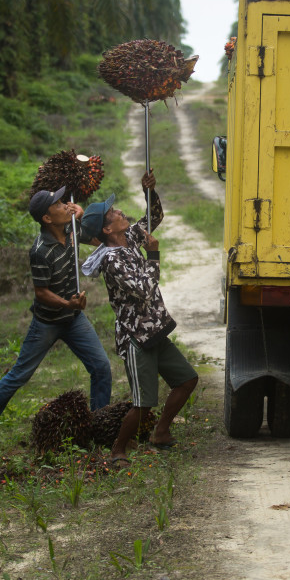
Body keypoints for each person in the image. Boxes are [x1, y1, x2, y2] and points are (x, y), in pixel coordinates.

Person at [0, 186, 113, 448]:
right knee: (18, 376)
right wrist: (68, 303)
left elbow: (95, 238)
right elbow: (42, 292)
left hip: (73, 319)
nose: (64, 205)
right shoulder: (40, 250)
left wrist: (80, 215)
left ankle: (99, 429)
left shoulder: (70, 229)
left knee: (101, 367)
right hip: (47, 322)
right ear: (47, 218)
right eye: (58, 204)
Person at [80, 172, 198, 468]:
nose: (120, 212)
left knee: (187, 380)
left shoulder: (129, 238)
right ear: (107, 229)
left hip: (155, 331)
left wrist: (150, 192)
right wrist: (154, 255)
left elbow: (153, 217)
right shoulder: (112, 261)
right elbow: (145, 290)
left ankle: (161, 432)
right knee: (143, 403)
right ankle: (118, 449)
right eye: (113, 213)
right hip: (137, 338)